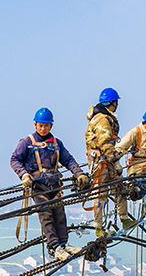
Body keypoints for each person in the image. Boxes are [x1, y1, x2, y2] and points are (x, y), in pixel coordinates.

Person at [10, 107, 90, 260]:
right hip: (38, 186)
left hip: (55, 184)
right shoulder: (26, 142)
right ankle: (55, 246)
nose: (43, 128)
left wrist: (79, 174)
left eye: (46, 125)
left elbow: (68, 160)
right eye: (40, 125)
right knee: (46, 215)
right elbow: (14, 160)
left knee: (59, 214)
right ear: (35, 125)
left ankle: (64, 243)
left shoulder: (56, 143)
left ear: (51, 126)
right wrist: (24, 175)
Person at [85, 88, 121, 235]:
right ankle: (99, 228)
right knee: (100, 193)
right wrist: (116, 160)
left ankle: (119, 219)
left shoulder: (103, 117)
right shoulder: (103, 120)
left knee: (117, 186)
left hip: (104, 159)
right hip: (101, 160)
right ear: (112, 103)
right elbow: (105, 142)